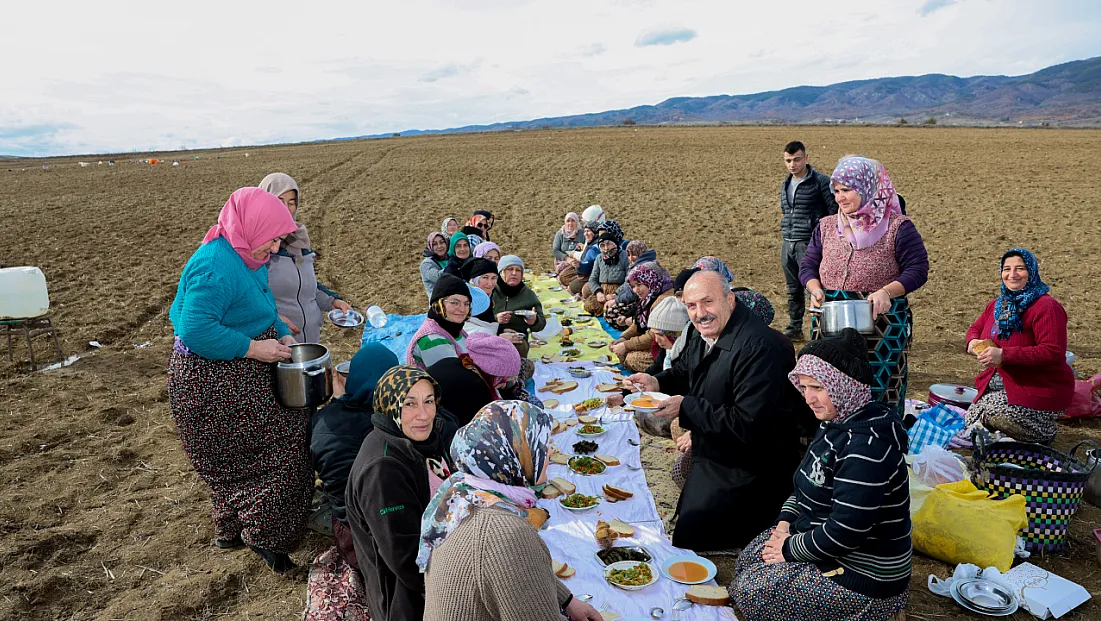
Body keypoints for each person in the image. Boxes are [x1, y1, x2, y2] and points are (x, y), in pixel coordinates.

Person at [167, 187, 310, 572]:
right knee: (277, 448)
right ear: (253, 225)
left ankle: (231, 527)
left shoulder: (248, 255)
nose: (277, 246)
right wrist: (253, 348)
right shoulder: (215, 265)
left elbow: (262, 302)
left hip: (240, 365)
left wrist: (280, 330)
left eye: (282, 238)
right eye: (275, 237)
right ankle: (268, 537)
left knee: (235, 456)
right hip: (213, 380)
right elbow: (196, 330)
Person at [731, 328, 911, 621]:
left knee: (751, 591)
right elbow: (805, 487)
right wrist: (785, 522)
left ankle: (881, 611)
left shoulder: (866, 449)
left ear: (843, 386)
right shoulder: (835, 421)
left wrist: (789, 548)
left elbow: (846, 532)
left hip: (865, 574)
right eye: (804, 388)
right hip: (825, 537)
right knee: (748, 560)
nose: (809, 398)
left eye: (818, 388)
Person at [627, 270, 808, 553]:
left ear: (730, 299)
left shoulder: (763, 348)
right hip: (717, 445)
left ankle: (755, 532)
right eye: (691, 306)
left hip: (752, 465)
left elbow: (749, 424)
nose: (700, 313)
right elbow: (687, 370)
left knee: (689, 538)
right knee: (687, 527)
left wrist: (685, 407)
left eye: (707, 302)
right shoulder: (706, 333)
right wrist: (657, 381)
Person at [420, 401, 603, 621]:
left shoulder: (462, 492)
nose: (550, 451)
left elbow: (514, 575)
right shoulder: (506, 533)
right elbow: (510, 558)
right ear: (514, 456)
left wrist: (567, 600)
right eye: (541, 445)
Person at [800, 156, 929, 413]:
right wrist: (814, 288)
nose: (839, 198)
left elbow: (918, 269)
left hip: (881, 322)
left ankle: (880, 438)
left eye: (846, 190)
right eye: (836, 191)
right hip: (831, 318)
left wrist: (886, 291)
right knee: (831, 385)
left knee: (878, 387)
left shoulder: (898, 227)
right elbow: (808, 265)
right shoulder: (826, 226)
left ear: (868, 187)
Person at [345, 366, 455, 621]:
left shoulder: (422, 440)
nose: (423, 414)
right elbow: (406, 560)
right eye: (409, 404)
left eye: (429, 401)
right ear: (390, 406)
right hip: (407, 602)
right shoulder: (383, 470)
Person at [964, 249, 1074, 444]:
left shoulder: (1047, 307)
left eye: (1020, 269)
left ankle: (1044, 432)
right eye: (1007, 269)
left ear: (1031, 272)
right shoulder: (998, 305)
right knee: (972, 417)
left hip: (1038, 386)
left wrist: (1004, 355)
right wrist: (972, 343)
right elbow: (975, 328)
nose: (1012, 274)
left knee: (993, 411)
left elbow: (1053, 352)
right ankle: (1013, 434)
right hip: (1003, 385)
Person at [310, 343, 399, 570]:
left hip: (349, 530)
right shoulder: (398, 422)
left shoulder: (322, 421)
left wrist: (338, 401)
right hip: (394, 528)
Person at [258, 173, 352, 344]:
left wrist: (332, 301)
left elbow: (307, 286)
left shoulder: (299, 241)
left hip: (311, 343)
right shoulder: (259, 250)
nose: (286, 208)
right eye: (279, 201)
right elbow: (246, 300)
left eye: (291, 202)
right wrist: (273, 320)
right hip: (278, 347)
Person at [778, 142, 838, 340]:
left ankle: (821, 328)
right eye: (788, 160)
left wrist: (826, 241)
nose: (792, 165)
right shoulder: (785, 184)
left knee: (814, 288)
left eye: (796, 159)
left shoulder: (821, 182)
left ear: (806, 158)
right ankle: (795, 327)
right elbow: (786, 211)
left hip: (809, 244)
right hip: (788, 242)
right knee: (792, 289)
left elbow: (833, 213)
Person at [427, 332, 522, 426]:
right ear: (492, 372)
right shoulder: (477, 389)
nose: (504, 384)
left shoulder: (454, 361)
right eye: (503, 378)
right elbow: (478, 430)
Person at [610, 263, 674, 372]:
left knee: (632, 358)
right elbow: (638, 323)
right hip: (657, 343)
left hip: (666, 348)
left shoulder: (663, 300)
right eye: (633, 286)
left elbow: (654, 335)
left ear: (650, 281)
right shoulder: (649, 297)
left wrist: (626, 345)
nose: (636, 290)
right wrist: (624, 338)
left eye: (639, 285)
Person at [407, 274, 471, 369]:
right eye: (454, 303)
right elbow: (454, 378)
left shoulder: (453, 327)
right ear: (438, 304)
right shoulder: (432, 341)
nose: (462, 309)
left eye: (466, 304)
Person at [492, 255, 547, 358]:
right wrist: (495, 319)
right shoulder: (490, 291)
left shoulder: (528, 294)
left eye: (518, 270)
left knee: (516, 348)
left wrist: (534, 321)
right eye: (510, 269)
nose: (514, 273)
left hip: (517, 337)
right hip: (492, 334)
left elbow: (541, 323)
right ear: (501, 272)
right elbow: (477, 319)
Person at [604, 240, 657, 330]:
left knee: (611, 313)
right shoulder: (635, 265)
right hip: (638, 301)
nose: (631, 258)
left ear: (641, 253)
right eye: (628, 255)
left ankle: (635, 326)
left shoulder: (643, 268)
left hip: (643, 302)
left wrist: (616, 300)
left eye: (634, 254)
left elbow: (633, 294)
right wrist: (616, 294)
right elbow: (627, 285)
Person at [583, 221, 629, 316]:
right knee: (589, 306)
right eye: (602, 245)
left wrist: (615, 294)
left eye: (609, 244)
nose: (606, 248)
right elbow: (593, 279)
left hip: (619, 290)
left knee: (611, 310)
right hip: (603, 290)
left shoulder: (624, 256)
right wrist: (598, 293)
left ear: (615, 243)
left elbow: (629, 280)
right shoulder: (600, 258)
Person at [561, 221, 599, 294]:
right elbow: (556, 251)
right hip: (584, 269)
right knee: (564, 276)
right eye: (585, 231)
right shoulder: (589, 242)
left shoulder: (595, 247)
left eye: (588, 231)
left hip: (591, 274)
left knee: (572, 287)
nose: (585, 234)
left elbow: (588, 265)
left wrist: (577, 262)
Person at [420, 231, 450, 299]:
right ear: (430, 246)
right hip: (439, 304)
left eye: (442, 242)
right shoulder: (426, 264)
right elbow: (439, 277)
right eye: (434, 244)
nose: (439, 246)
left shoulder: (450, 258)